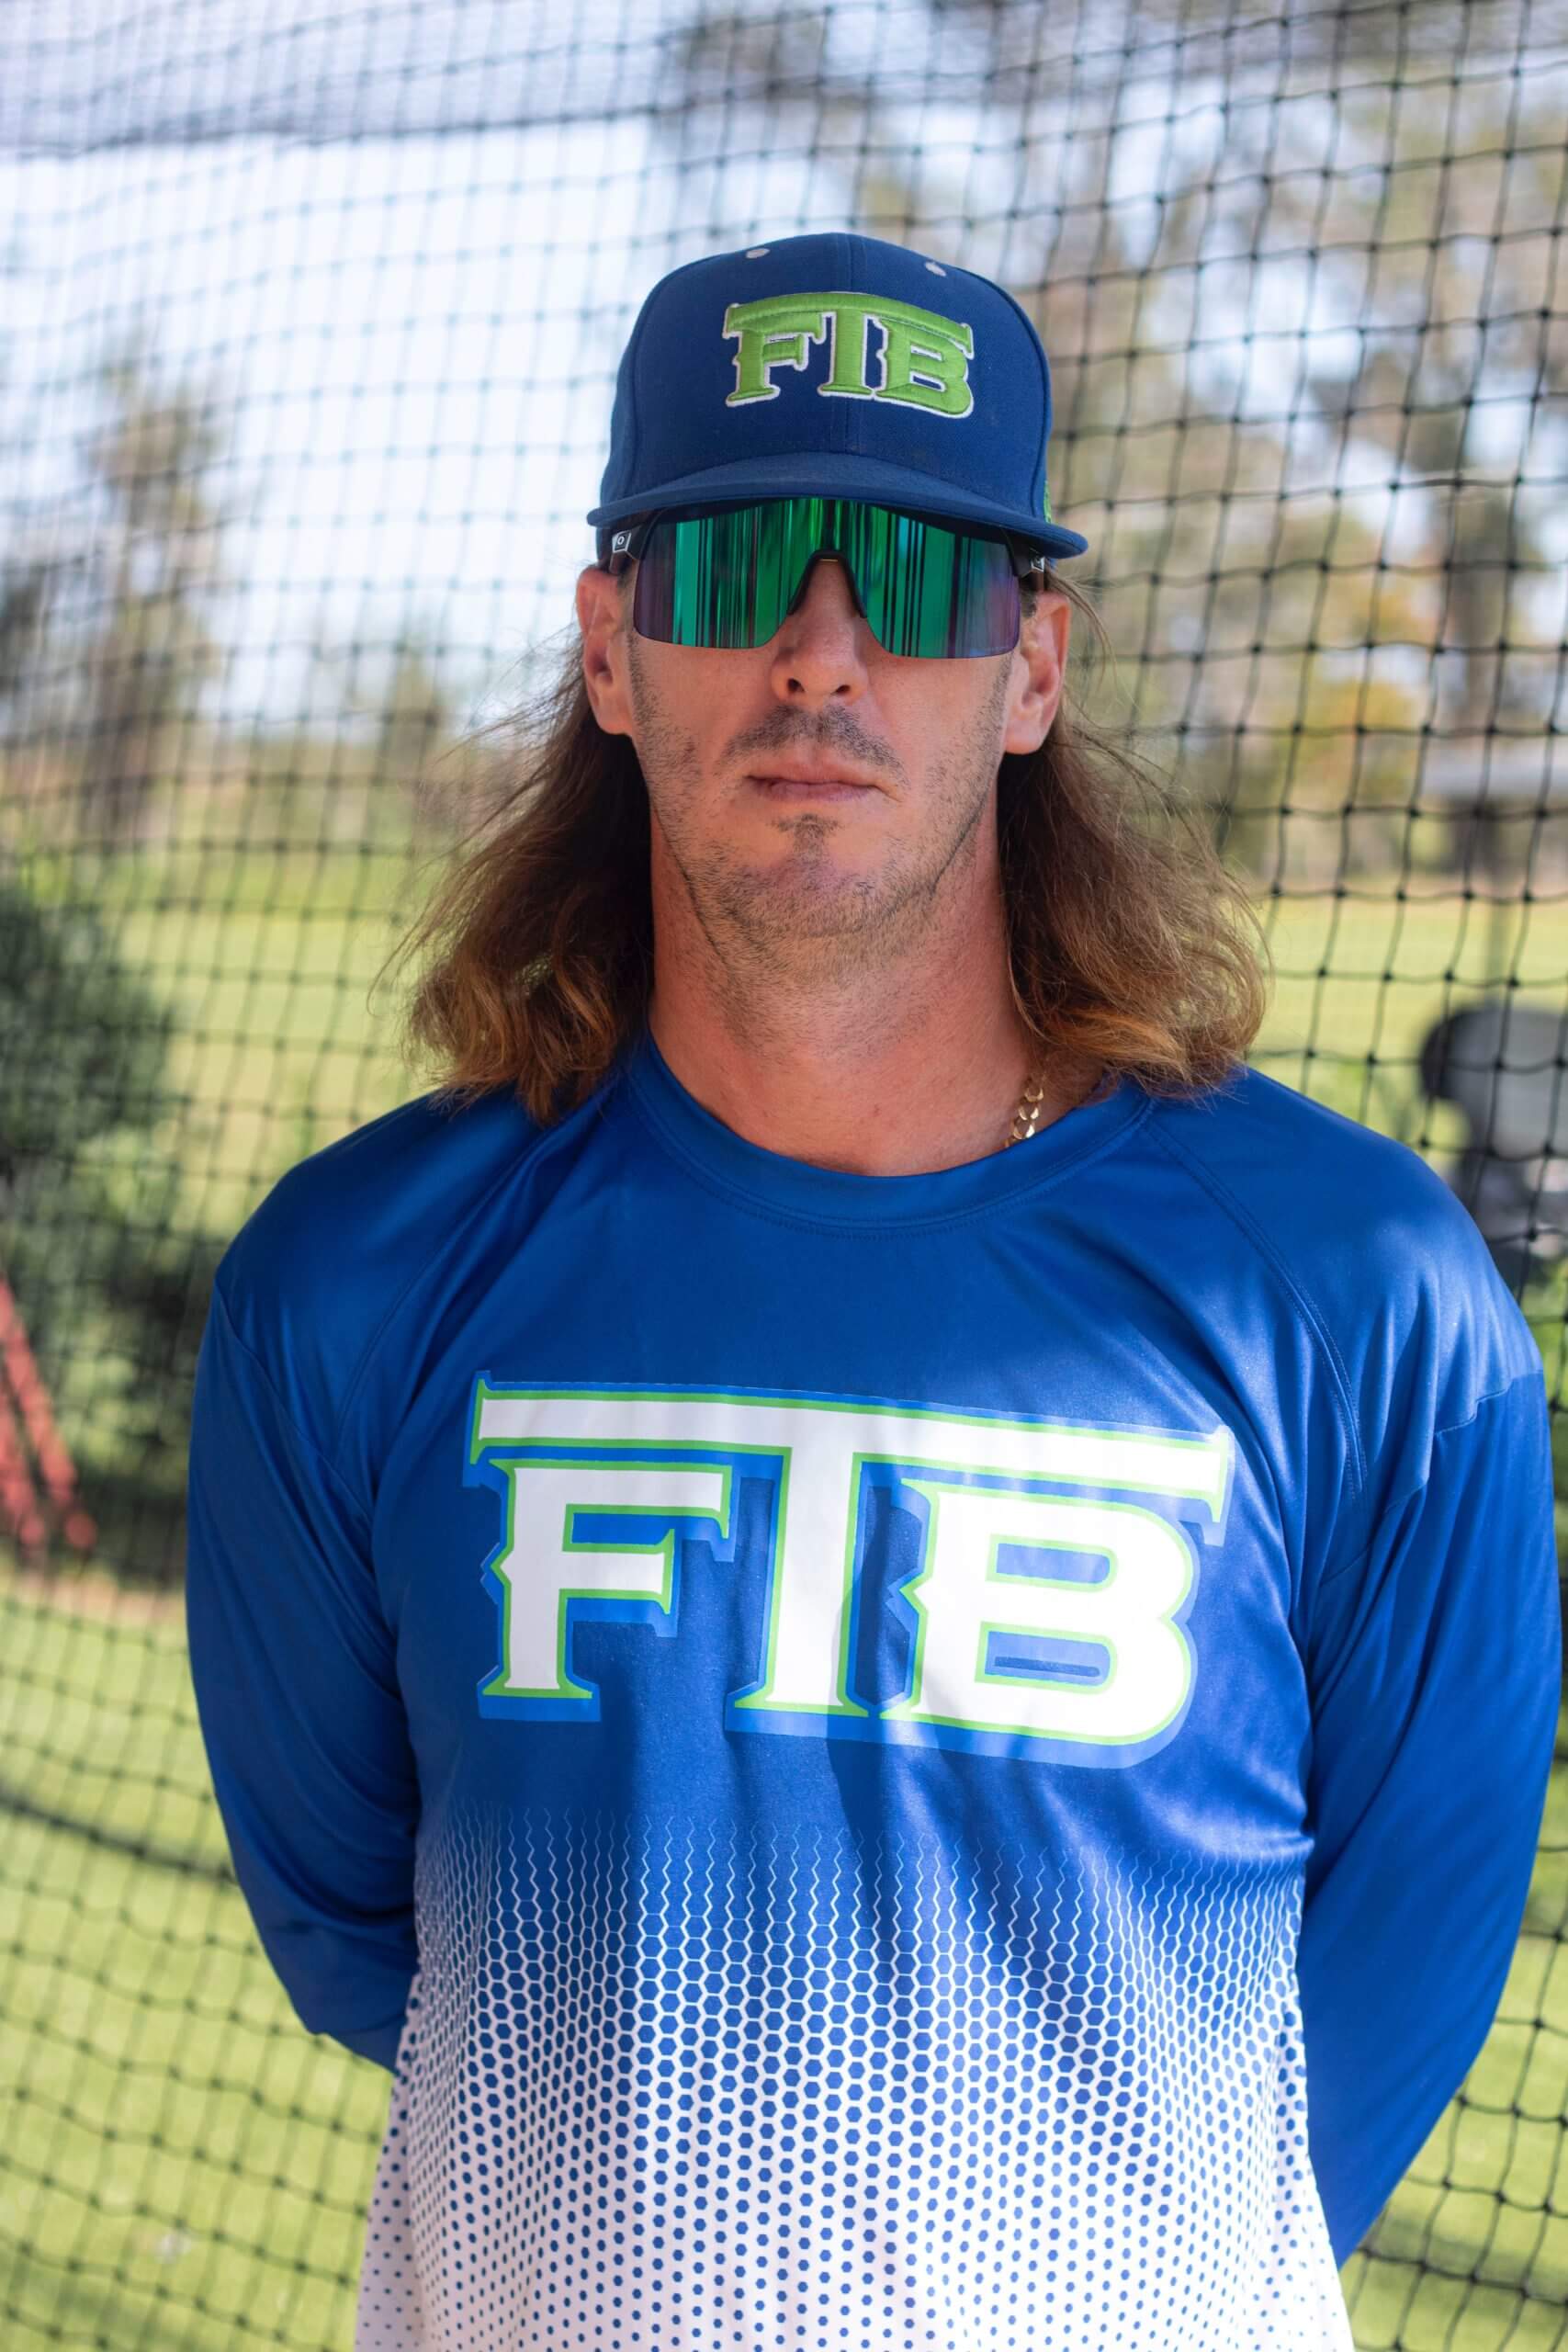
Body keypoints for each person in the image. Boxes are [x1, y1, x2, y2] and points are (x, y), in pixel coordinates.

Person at [185, 232, 1562, 2352]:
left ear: (1027, 666)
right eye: (742, 568)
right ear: (614, 645)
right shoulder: (350, 1285)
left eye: (912, 582)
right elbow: (372, 1929)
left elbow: (1389, 1980)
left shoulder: (1364, 1295)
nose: (821, 657)